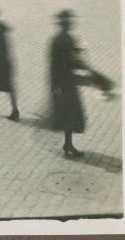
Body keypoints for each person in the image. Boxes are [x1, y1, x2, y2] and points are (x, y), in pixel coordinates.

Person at [49, 9, 113, 157]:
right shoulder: (60, 40)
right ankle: (68, 144)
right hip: (64, 83)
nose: (71, 24)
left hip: (68, 82)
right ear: (64, 24)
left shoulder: (66, 39)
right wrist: (56, 85)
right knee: (70, 114)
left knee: (70, 114)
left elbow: (72, 59)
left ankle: (68, 144)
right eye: (69, 22)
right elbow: (57, 65)